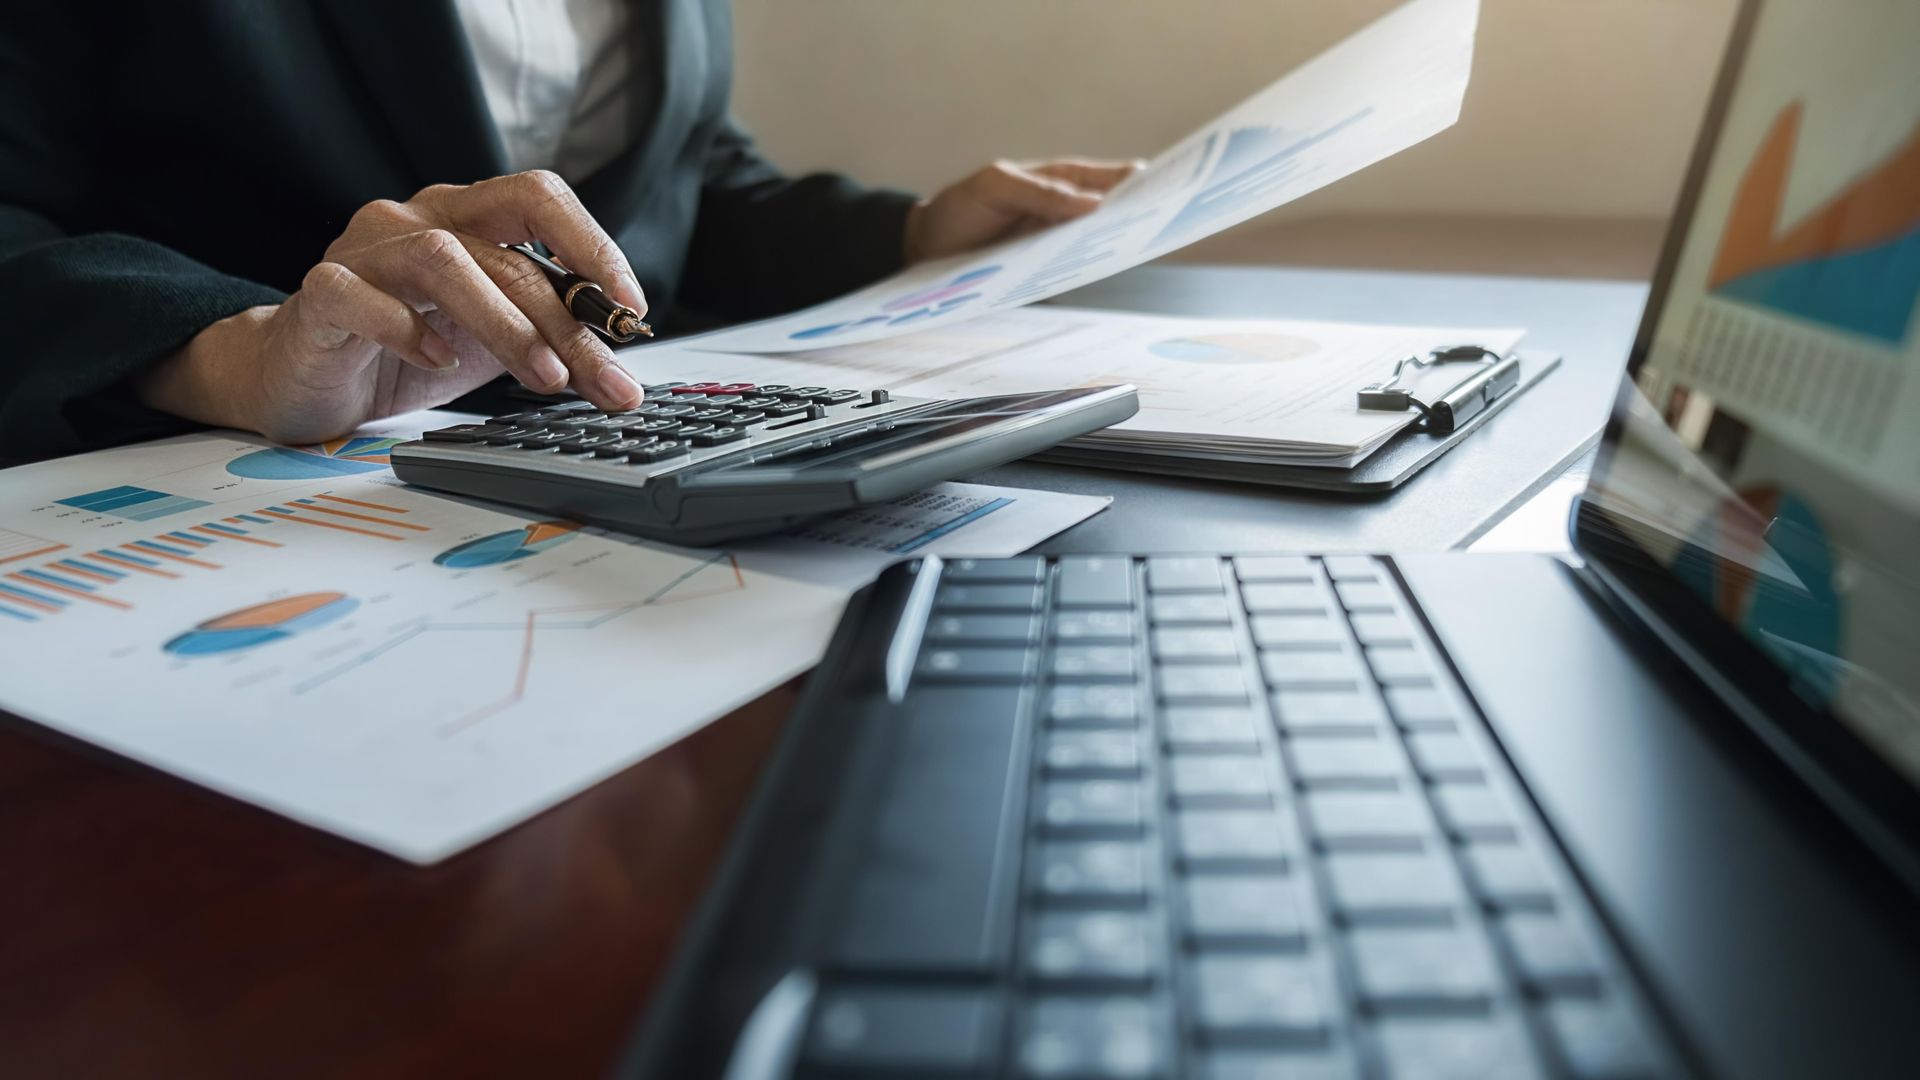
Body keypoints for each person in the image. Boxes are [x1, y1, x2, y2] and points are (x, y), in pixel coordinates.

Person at [0, 1, 1139, 462]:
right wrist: (238, 347)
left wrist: (909, 233)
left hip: (613, 474)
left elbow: (669, 181)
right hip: (226, 479)